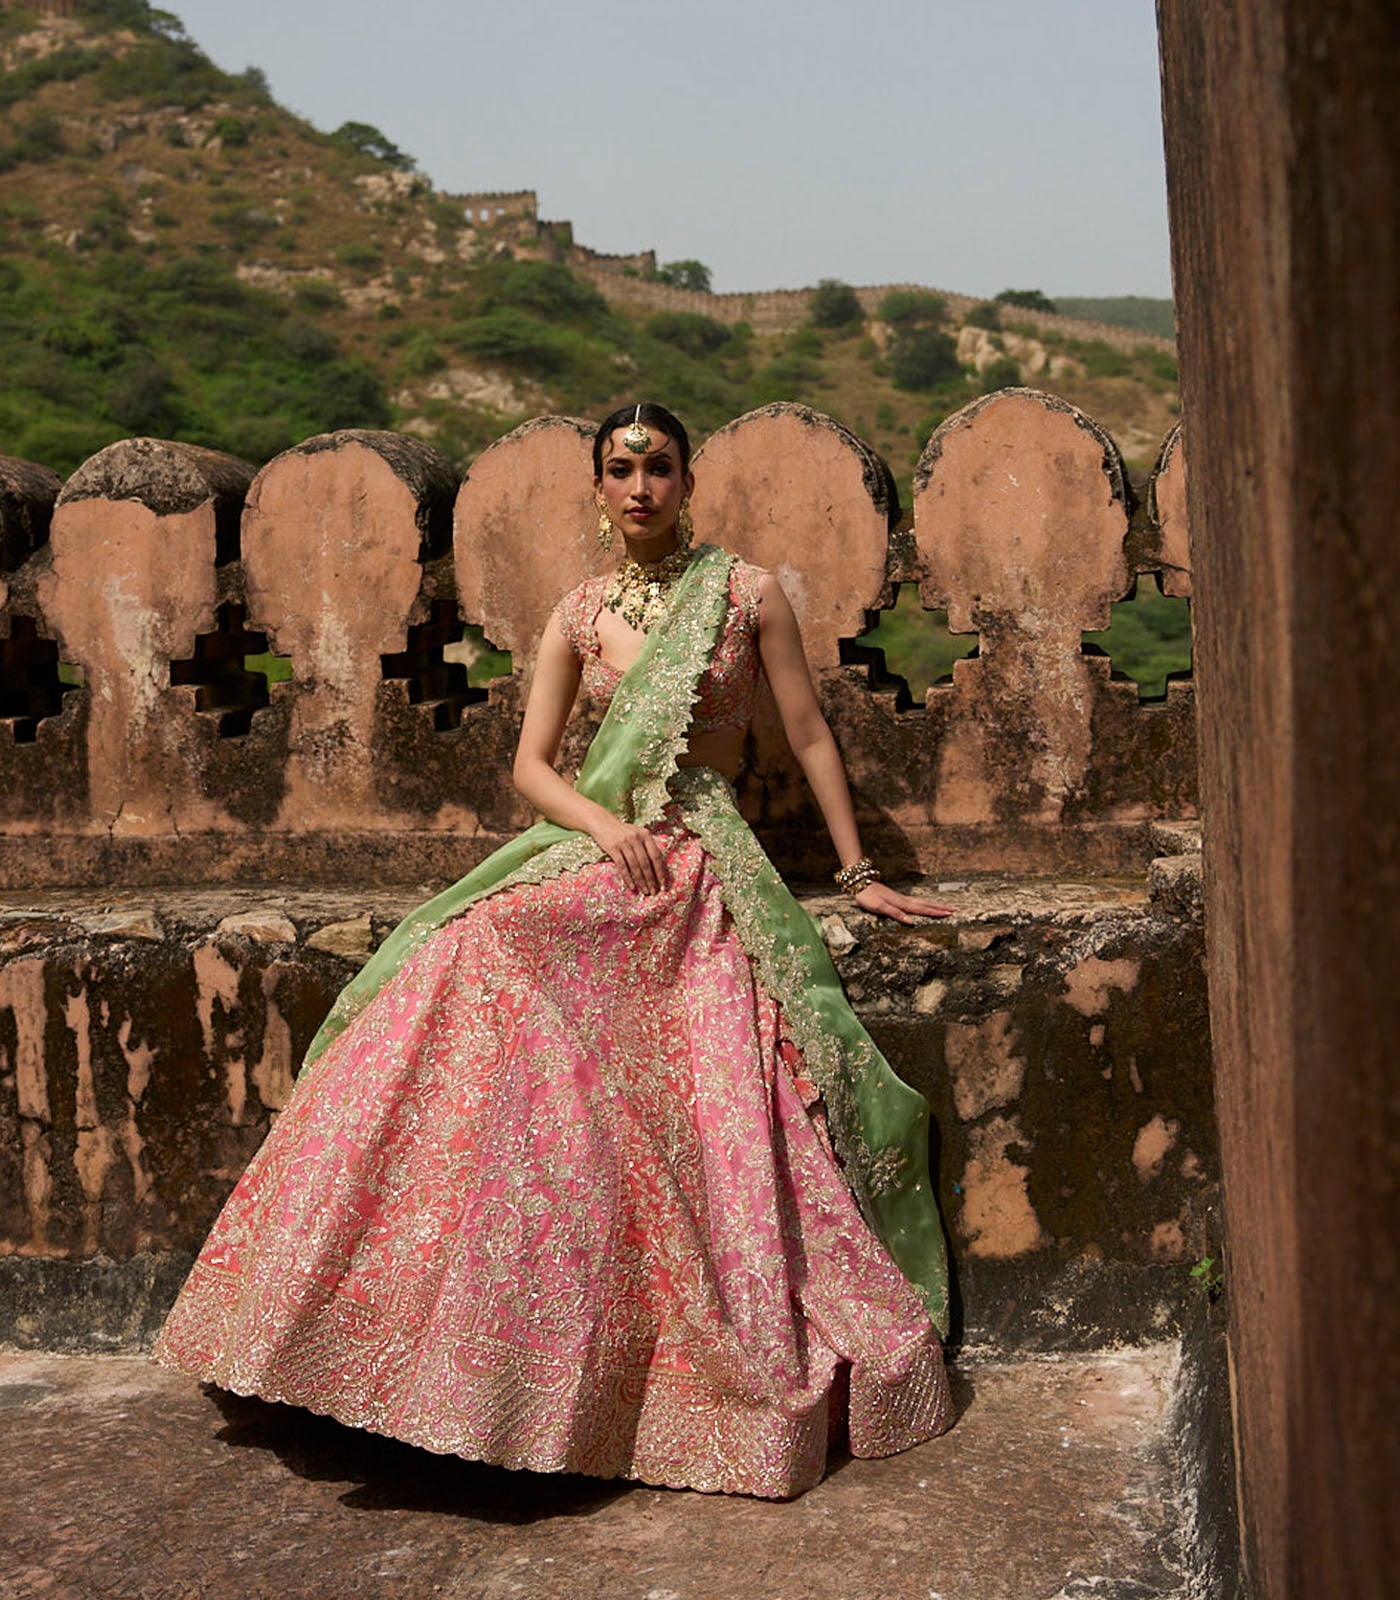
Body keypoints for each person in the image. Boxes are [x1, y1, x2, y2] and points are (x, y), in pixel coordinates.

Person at [154, 402, 956, 1499]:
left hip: (700, 853)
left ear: (686, 482)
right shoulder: (577, 614)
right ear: (596, 487)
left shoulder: (746, 593)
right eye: (620, 469)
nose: (639, 486)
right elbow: (531, 768)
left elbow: (807, 732)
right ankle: (369, 1321)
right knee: (469, 943)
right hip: (604, 845)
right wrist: (600, 824)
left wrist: (860, 875)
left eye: (659, 468)